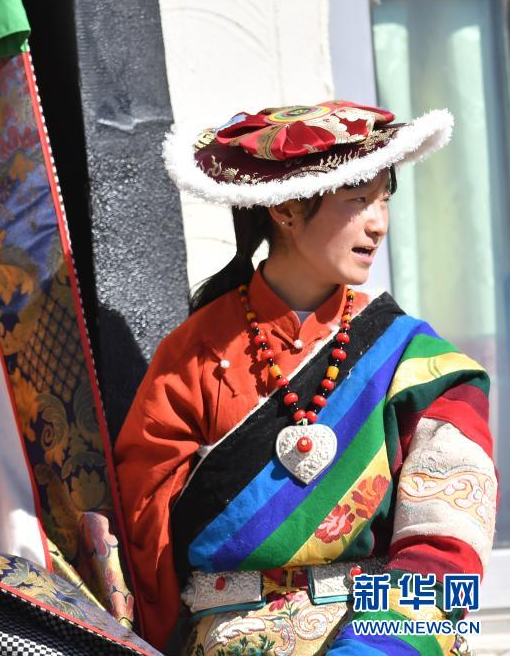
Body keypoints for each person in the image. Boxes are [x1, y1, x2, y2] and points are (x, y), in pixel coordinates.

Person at [114, 101, 498, 655]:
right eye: (358, 200)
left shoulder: (416, 361)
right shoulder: (192, 356)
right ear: (288, 209)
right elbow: (145, 548)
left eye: (384, 200)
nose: (379, 223)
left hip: (383, 636)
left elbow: (448, 540)